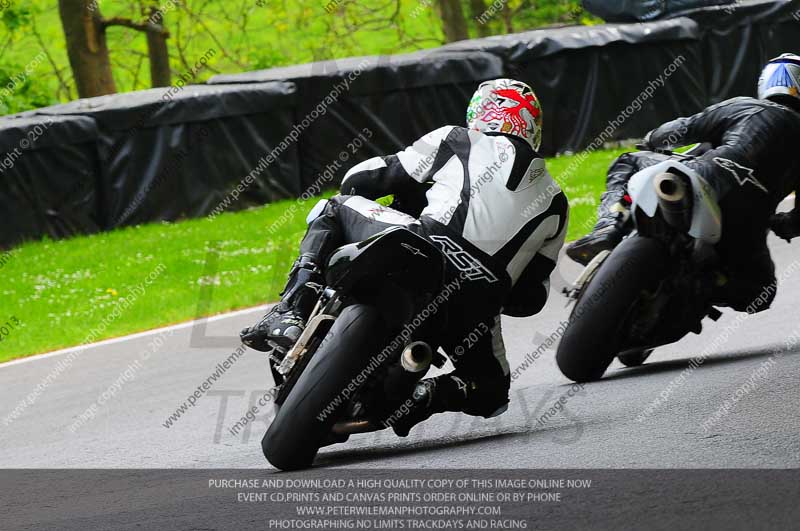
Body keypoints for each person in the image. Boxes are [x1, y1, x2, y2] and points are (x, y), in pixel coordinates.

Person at [241, 78, 569, 436]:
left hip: (423, 246)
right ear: (532, 125)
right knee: (492, 391)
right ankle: (425, 395)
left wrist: (403, 197)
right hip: (477, 301)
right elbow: (530, 299)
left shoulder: (457, 138)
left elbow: (362, 178)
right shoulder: (556, 199)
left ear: (480, 113)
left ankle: (292, 309)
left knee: (333, 208)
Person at [566, 53, 800, 313]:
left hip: (703, 178)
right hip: (748, 226)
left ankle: (608, 227)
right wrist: (783, 224)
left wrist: (653, 138)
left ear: (766, 82)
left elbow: (682, 129)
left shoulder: (744, 107)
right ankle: (707, 283)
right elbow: (797, 221)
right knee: (761, 292)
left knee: (629, 161)